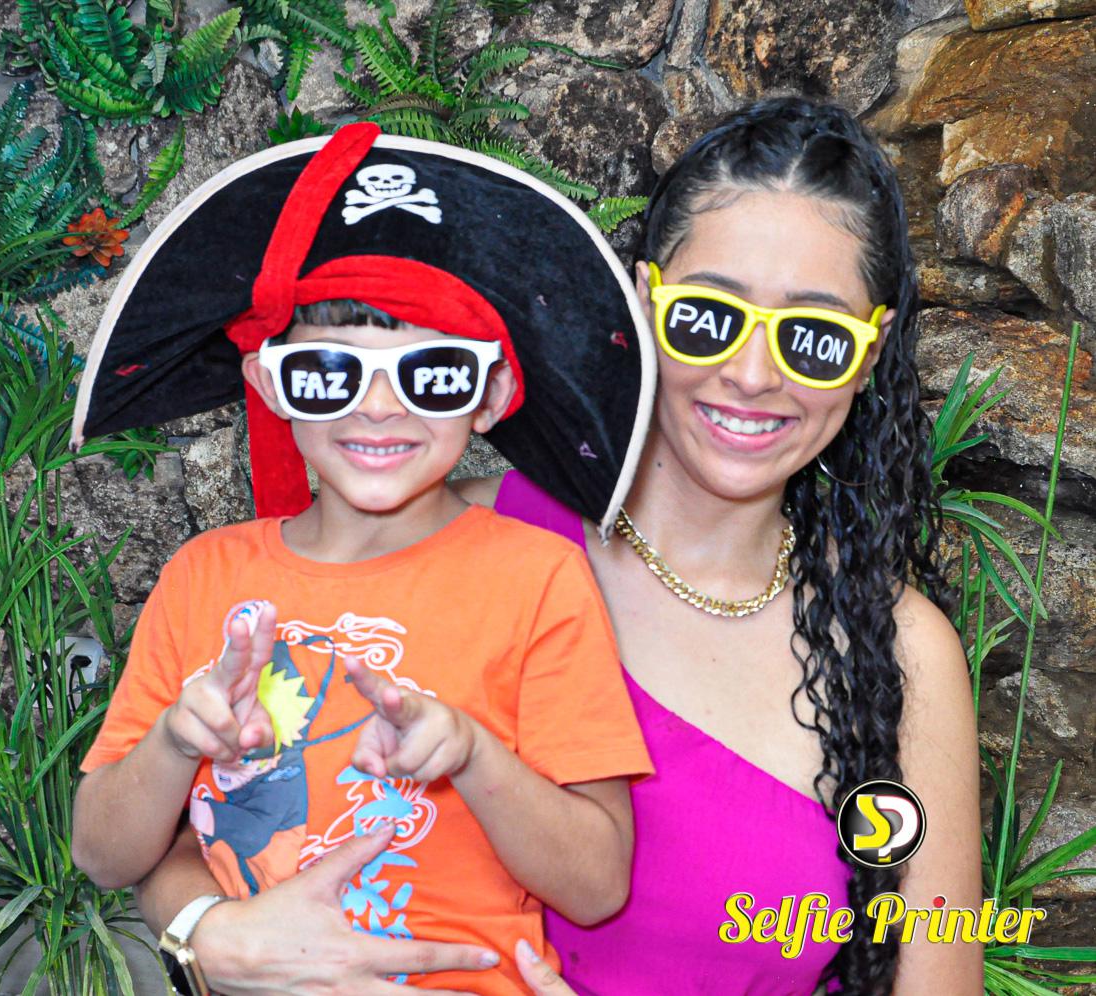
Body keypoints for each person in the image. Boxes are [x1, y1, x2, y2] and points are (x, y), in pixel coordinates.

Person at [128, 97, 983, 995]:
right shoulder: (443, 542)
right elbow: (186, 827)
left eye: (813, 338)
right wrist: (208, 934)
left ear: (868, 354)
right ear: (645, 302)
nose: (752, 374)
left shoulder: (899, 654)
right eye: (707, 317)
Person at [67, 123, 657, 996]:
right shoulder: (203, 577)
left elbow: (597, 883)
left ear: (491, 393)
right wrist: (173, 742)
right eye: (329, 374)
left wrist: (473, 754)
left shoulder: (537, 579)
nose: (378, 408)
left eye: (434, 374)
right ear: (269, 384)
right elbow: (101, 853)